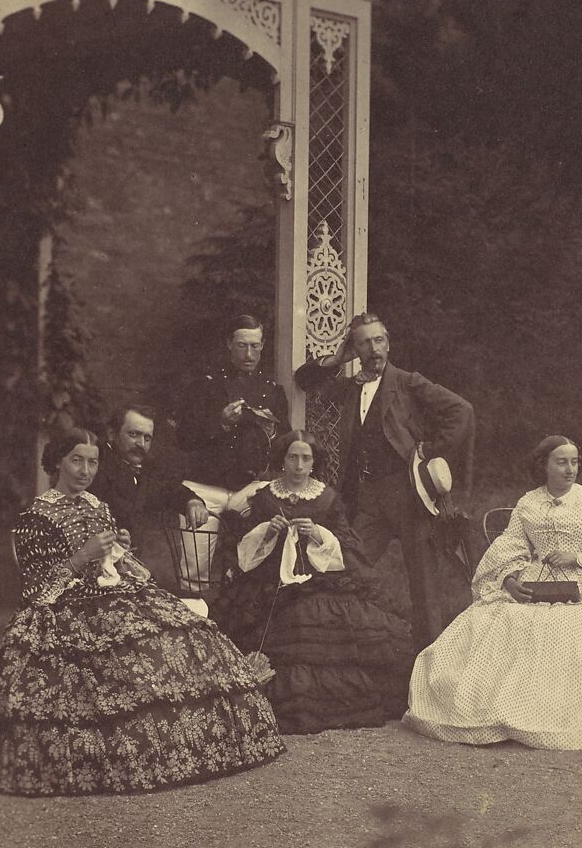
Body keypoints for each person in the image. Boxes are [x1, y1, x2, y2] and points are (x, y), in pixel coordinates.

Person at [0, 427, 285, 796]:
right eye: (76, 460)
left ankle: (192, 748)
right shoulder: (36, 516)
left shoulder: (98, 507)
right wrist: (82, 558)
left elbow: (121, 566)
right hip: (66, 609)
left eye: (93, 462)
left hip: (117, 591)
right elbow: (37, 590)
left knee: (186, 631)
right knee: (132, 659)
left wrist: (121, 550)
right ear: (56, 462)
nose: (85, 470)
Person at [403, 435, 582, 750]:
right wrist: (508, 579)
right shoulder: (529, 503)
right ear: (543, 465)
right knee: (504, 622)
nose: (570, 469)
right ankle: (509, 710)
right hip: (537, 580)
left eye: (574, 462)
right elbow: (510, 546)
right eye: (561, 462)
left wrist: (578, 557)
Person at [295, 311, 474, 651]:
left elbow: (461, 411)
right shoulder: (349, 388)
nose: (373, 348)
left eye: (379, 340)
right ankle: (348, 642)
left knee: (424, 586)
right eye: (364, 342)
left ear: (388, 344)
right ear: (355, 348)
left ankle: (429, 662)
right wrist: (336, 358)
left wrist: (429, 452)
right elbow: (305, 381)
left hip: (408, 494)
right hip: (367, 497)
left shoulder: (407, 382)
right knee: (348, 564)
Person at [214, 430, 413, 734]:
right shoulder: (265, 497)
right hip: (269, 579)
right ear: (282, 459)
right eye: (292, 457)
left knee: (324, 618)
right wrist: (268, 531)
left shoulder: (327, 498)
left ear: (314, 462)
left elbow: (349, 545)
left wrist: (319, 533)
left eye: (305, 458)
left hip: (321, 577)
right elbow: (241, 544)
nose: (298, 464)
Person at [177, 314, 291, 492]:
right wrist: (221, 423)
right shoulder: (206, 385)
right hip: (209, 484)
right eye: (241, 346)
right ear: (229, 344)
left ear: (262, 345)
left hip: (255, 486)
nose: (248, 355)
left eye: (254, 346)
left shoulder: (273, 390)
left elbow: (285, 443)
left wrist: (272, 432)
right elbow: (184, 439)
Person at [89, 403, 211, 551]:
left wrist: (192, 502)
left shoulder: (140, 467)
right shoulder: (95, 467)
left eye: (147, 438)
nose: (141, 444)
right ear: (112, 434)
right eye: (133, 434)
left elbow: (167, 488)